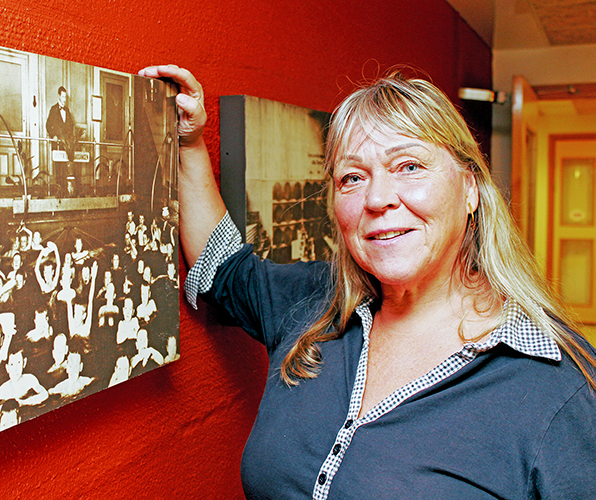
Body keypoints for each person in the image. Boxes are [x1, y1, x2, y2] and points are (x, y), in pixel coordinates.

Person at [138, 65, 596, 498]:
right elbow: (224, 269)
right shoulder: (314, 303)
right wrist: (191, 145)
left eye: (409, 167)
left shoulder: (560, 384)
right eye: (352, 177)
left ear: (471, 188)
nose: (377, 198)